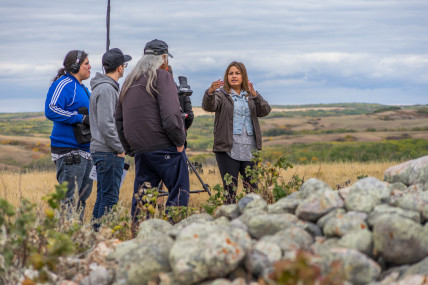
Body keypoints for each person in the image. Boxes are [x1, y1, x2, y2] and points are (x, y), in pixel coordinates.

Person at [116, 39, 190, 225]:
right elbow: (171, 114)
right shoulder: (162, 76)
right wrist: (180, 141)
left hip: (141, 150)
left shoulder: (129, 81)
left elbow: (119, 118)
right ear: (163, 58)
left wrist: (130, 148)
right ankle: (174, 232)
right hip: (165, 148)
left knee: (143, 198)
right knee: (179, 191)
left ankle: (139, 235)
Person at [202, 61, 271, 204]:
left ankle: (251, 220)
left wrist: (255, 94)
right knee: (230, 191)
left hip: (250, 149)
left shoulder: (250, 95)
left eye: (237, 73)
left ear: (243, 76)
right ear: (226, 77)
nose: (234, 76)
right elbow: (210, 105)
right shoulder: (221, 95)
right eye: (230, 73)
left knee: (252, 190)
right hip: (228, 148)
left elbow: (265, 111)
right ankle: (230, 222)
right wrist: (210, 92)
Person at [45, 50, 93, 221]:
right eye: (86, 63)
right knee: (70, 200)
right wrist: (80, 118)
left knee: (81, 199)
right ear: (75, 66)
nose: (90, 66)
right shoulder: (64, 83)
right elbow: (51, 109)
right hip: (69, 150)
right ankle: (66, 243)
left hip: (85, 150)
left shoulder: (82, 87)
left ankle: (77, 240)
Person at [89, 48, 132, 230]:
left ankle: (94, 236)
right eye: (125, 65)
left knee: (103, 197)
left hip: (103, 151)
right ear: (120, 68)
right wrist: (120, 148)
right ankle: (101, 238)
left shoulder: (103, 87)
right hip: (108, 152)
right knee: (110, 198)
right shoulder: (107, 89)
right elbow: (107, 125)